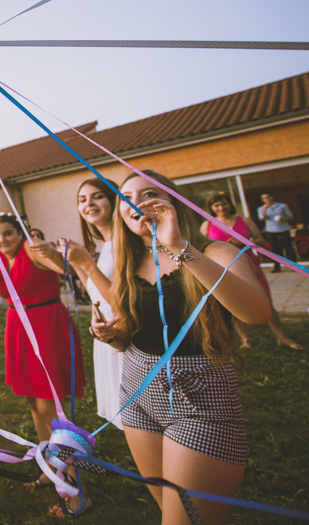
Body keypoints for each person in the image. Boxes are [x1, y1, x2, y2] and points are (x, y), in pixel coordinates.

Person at [96, 171, 271, 525]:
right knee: (171, 513)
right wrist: (111, 335)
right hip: (138, 393)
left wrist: (178, 246)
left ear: (174, 203)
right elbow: (131, 331)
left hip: (200, 398)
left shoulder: (216, 250)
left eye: (148, 194)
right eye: (126, 196)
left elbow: (257, 312)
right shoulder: (130, 260)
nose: (136, 202)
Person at [0, 214, 90, 519]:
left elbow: (68, 269)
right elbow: (15, 294)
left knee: (52, 411)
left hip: (45, 328)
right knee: (33, 405)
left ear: (20, 233)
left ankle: (77, 493)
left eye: (8, 234)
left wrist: (55, 253)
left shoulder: (32, 249)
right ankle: (49, 469)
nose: (3, 240)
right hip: (19, 328)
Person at [56, 178, 123, 430]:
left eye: (97, 196)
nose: (89, 204)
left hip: (124, 336)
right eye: (82, 200)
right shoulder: (106, 246)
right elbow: (96, 292)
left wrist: (87, 264)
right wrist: (77, 263)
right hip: (105, 340)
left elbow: (119, 302)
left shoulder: (125, 245)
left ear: (114, 200)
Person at [201, 192, 303, 350]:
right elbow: (202, 248)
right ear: (212, 208)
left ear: (230, 204)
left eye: (224, 204)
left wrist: (245, 242)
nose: (221, 208)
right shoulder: (207, 225)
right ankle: (246, 339)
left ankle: (282, 337)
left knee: (264, 299)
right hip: (223, 268)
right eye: (217, 205)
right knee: (233, 304)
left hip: (249, 266)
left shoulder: (244, 220)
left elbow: (261, 240)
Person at [257, 193, 297, 272]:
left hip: (283, 228)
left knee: (288, 247)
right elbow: (261, 218)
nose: (266, 199)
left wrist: (283, 218)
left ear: (272, 197)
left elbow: (290, 216)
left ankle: (293, 266)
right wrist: (265, 209)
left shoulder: (282, 206)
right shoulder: (261, 208)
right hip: (271, 230)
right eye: (264, 198)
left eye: (267, 197)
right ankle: (277, 266)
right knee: (274, 248)